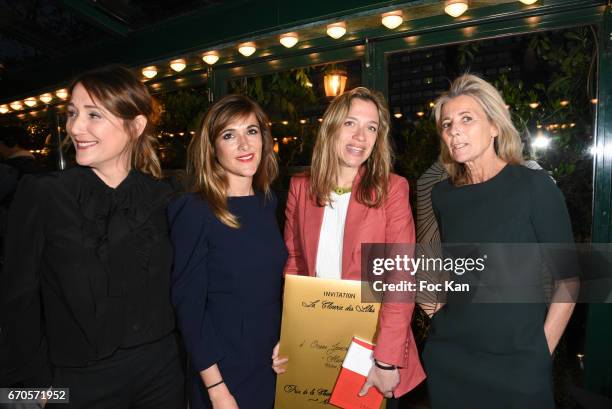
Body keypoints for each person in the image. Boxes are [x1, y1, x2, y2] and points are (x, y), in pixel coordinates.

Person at [0, 65, 185, 408]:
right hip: (77, 381)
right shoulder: (43, 193)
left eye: (93, 114)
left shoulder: (163, 196)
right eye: (72, 113)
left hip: (162, 373)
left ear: (136, 125)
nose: (75, 127)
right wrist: (38, 388)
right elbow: (17, 298)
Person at [422, 74, 576, 408]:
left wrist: (540, 353)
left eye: (467, 119)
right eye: (447, 124)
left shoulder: (534, 187)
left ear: (494, 126)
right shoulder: (442, 195)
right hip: (451, 361)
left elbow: (571, 280)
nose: (454, 130)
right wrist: (435, 314)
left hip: (519, 367)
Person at [274, 87, 426, 400]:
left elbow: (400, 277)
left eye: (371, 128)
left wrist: (385, 360)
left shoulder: (392, 189)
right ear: (331, 127)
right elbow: (294, 265)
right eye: (350, 123)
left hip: (373, 350)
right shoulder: (301, 188)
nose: (360, 136)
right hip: (316, 343)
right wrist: (290, 335)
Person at [168, 95, 287, 409]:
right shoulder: (195, 210)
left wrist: (286, 339)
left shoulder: (267, 202)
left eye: (251, 131)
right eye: (229, 135)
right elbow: (189, 308)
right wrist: (217, 389)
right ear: (212, 148)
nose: (244, 144)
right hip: (223, 373)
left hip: (271, 364)